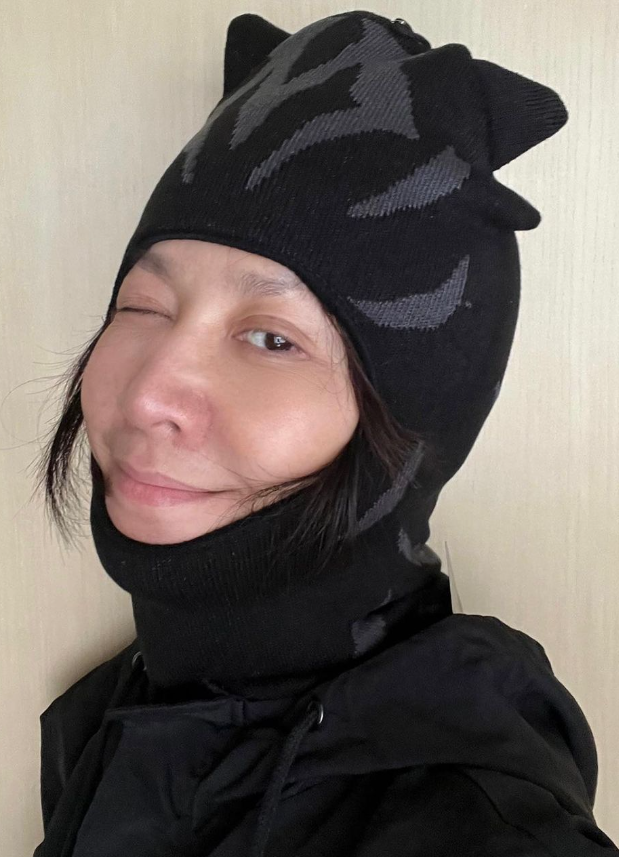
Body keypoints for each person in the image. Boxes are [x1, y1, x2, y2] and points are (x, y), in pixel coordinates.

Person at [31, 10, 618, 856]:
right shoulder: (113, 715)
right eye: (143, 305)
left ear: (412, 425)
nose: (149, 392)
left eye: (272, 339)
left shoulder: (476, 827)